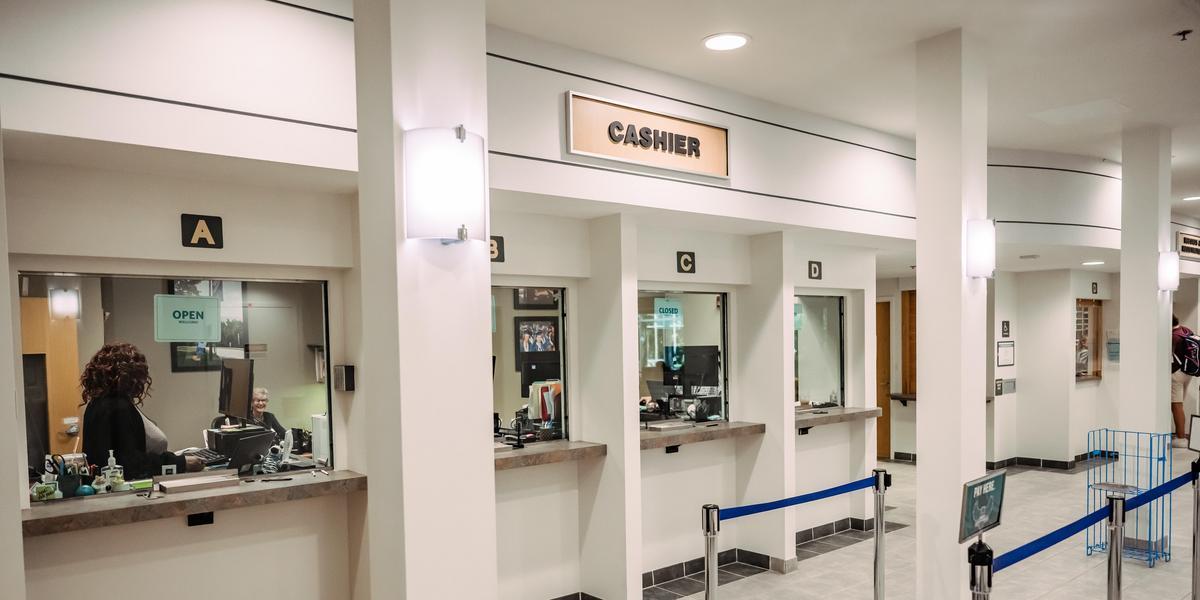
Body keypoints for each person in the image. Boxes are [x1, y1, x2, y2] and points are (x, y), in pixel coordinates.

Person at [81, 343, 203, 478]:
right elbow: (132, 463)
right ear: (130, 374)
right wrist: (181, 462)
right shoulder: (118, 407)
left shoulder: (97, 403)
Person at [212, 387, 287, 441]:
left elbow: (283, 434)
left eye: (263, 400)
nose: (261, 403)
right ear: (251, 403)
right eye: (257, 400)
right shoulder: (244, 418)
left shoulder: (269, 416)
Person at [1172, 315, 1192, 447]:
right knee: (1180, 405)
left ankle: (1180, 439)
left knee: (1176, 405)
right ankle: (1182, 436)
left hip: (1176, 374)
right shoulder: (1186, 330)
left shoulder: (1173, 336)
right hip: (1188, 372)